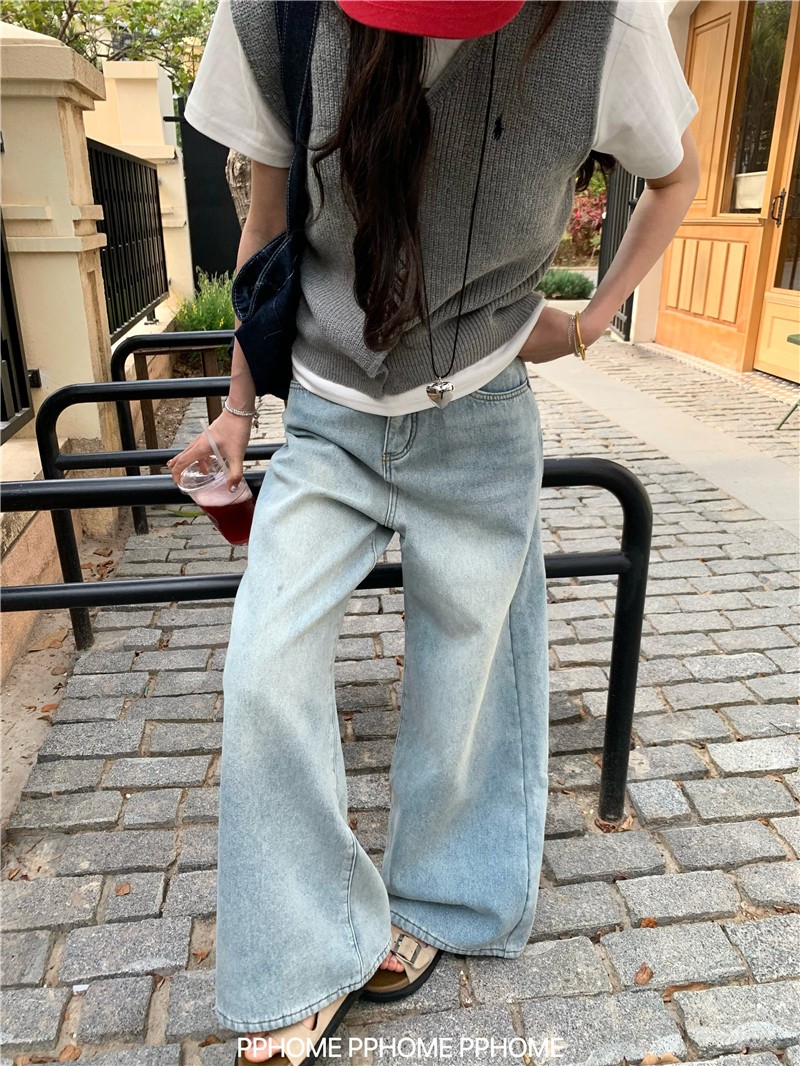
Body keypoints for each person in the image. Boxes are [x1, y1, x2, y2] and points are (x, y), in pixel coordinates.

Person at [168, 1, 700, 1061]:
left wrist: (592, 322)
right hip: (325, 415)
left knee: (467, 677)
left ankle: (446, 898)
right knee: (263, 668)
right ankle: (304, 951)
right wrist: (235, 408)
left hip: (480, 414)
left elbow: (675, 175)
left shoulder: (607, 23)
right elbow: (265, 229)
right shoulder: (273, 14)